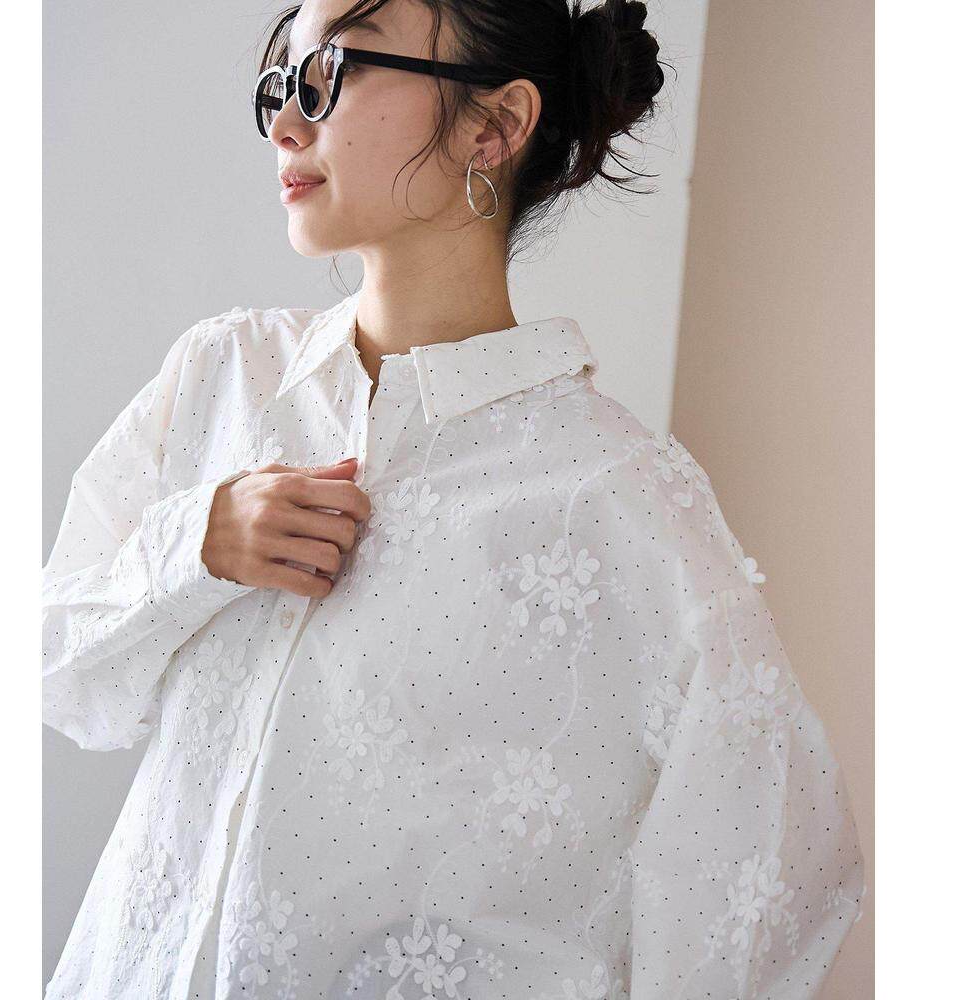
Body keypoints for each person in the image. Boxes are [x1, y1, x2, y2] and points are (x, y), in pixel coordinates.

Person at [42, 1, 864, 997]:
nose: (287, 127)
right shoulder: (223, 377)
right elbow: (56, 675)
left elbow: (774, 873)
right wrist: (193, 547)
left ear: (495, 125)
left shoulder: (615, 496)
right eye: (283, 85)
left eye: (334, 74)